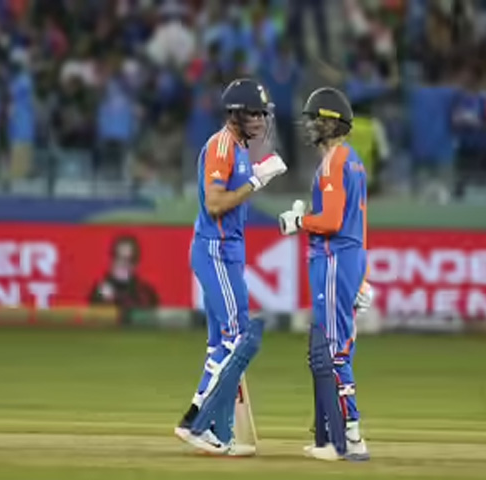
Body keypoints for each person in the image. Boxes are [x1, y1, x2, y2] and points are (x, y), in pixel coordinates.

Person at [174, 78, 287, 456]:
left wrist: (254, 174)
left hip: (227, 252)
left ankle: (217, 432)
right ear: (236, 114)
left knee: (219, 343)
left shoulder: (238, 149)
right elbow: (215, 204)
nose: (261, 120)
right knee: (237, 339)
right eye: (254, 113)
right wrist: (256, 180)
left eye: (263, 114)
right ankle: (195, 421)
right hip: (216, 250)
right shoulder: (221, 146)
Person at [278, 87, 373, 461]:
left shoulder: (335, 162)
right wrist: (362, 274)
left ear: (333, 123)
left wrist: (299, 221)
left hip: (334, 259)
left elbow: (332, 221)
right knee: (335, 345)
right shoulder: (353, 160)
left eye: (315, 118)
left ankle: (349, 437)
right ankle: (333, 433)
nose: (309, 125)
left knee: (333, 349)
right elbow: (356, 223)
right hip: (348, 258)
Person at [88, 235, 159, 310]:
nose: (122, 264)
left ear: (136, 264)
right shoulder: (100, 289)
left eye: (128, 259)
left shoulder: (146, 292)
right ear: (111, 260)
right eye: (118, 257)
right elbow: (95, 314)